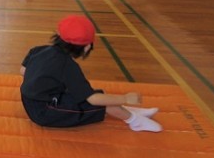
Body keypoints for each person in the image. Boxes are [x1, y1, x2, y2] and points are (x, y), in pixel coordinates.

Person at [20, 15, 162, 132]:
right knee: (100, 102)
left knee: (97, 95)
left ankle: (128, 111)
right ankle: (134, 121)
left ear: (58, 34)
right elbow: (93, 100)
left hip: (32, 102)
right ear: (87, 47)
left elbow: (23, 71)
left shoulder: (39, 49)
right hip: (45, 112)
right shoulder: (67, 66)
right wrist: (125, 98)